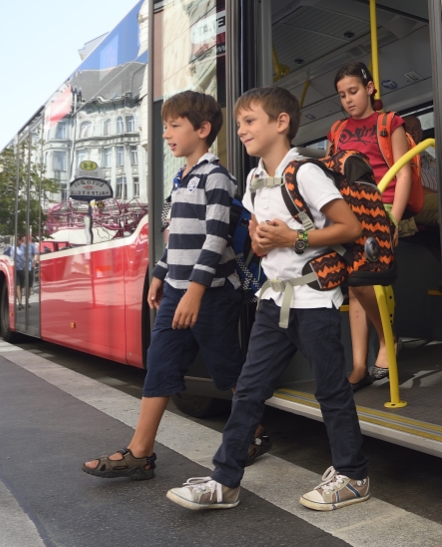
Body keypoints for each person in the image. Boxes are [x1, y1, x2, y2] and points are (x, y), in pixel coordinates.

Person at [167, 87, 369, 511]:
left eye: (250, 121)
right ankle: (224, 481)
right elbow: (260, 244)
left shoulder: (305, 171)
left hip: (314, 298)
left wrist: (293, 236)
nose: (241, 130)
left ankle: (352, 476)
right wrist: (261, 240)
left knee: (331, 391)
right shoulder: (256, 179)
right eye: (239, 123)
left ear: (281, 123)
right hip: (272, 301)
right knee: (249, 392)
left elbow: (349, 228)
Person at [83, 90, 268, 481]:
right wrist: (159, 273)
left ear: (202, 129)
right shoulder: (180, 178)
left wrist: (195, 292)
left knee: (226, 370)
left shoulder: (217, 177)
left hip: (212, 293)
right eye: (165, 126)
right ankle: (140, 452)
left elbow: (215, 238)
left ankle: (252, 431)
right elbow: (176, 236)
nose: (167, 134)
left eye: (174, 126)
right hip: (177, 291)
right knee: (160, 366)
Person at [328, 61, 413, 389]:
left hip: (382, 206)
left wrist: (392, 218)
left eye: (353, 91)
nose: (348, 99)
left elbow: (403, 170)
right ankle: (360, 364)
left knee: (369, 280)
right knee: (353, 285)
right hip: (349, 211)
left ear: (370, 88)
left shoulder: (389, 123)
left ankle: (387, 343)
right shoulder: (336, 131)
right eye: (342, 95)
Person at [397, 116, 440, 237]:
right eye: (407, 128)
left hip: (436, 197)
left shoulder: (428, 157)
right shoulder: (397, 156)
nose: (411, 131)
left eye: (415, 128)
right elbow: (409, 188)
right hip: (413, 204)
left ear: (421, 134)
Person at [5, 235, 38, 309]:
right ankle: (20, 303)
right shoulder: (12, 248)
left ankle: (24, 301)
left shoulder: (25, 247)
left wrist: (29, 264)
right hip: (15, 269)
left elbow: (28, 257)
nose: (16, 242)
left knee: (22, 287)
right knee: (17, 286)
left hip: (23, 269)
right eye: (15, 241)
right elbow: (7, 256)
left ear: (20, 240)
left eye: (17, 240)